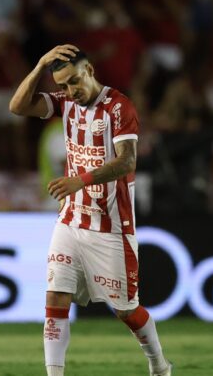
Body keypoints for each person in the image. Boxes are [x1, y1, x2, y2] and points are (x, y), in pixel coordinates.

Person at [9, 45, 172, 376]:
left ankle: (159, 364)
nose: (69, 91)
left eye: (73, 82)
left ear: (90, 71)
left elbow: (127, 161)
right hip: (70, 221)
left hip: (111, 226)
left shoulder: (118, 107)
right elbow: (18, 106)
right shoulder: (66, 104)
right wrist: (40, 63)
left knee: (126, 310)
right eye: (63, 86)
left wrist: (79, 180)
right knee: (55, 299)